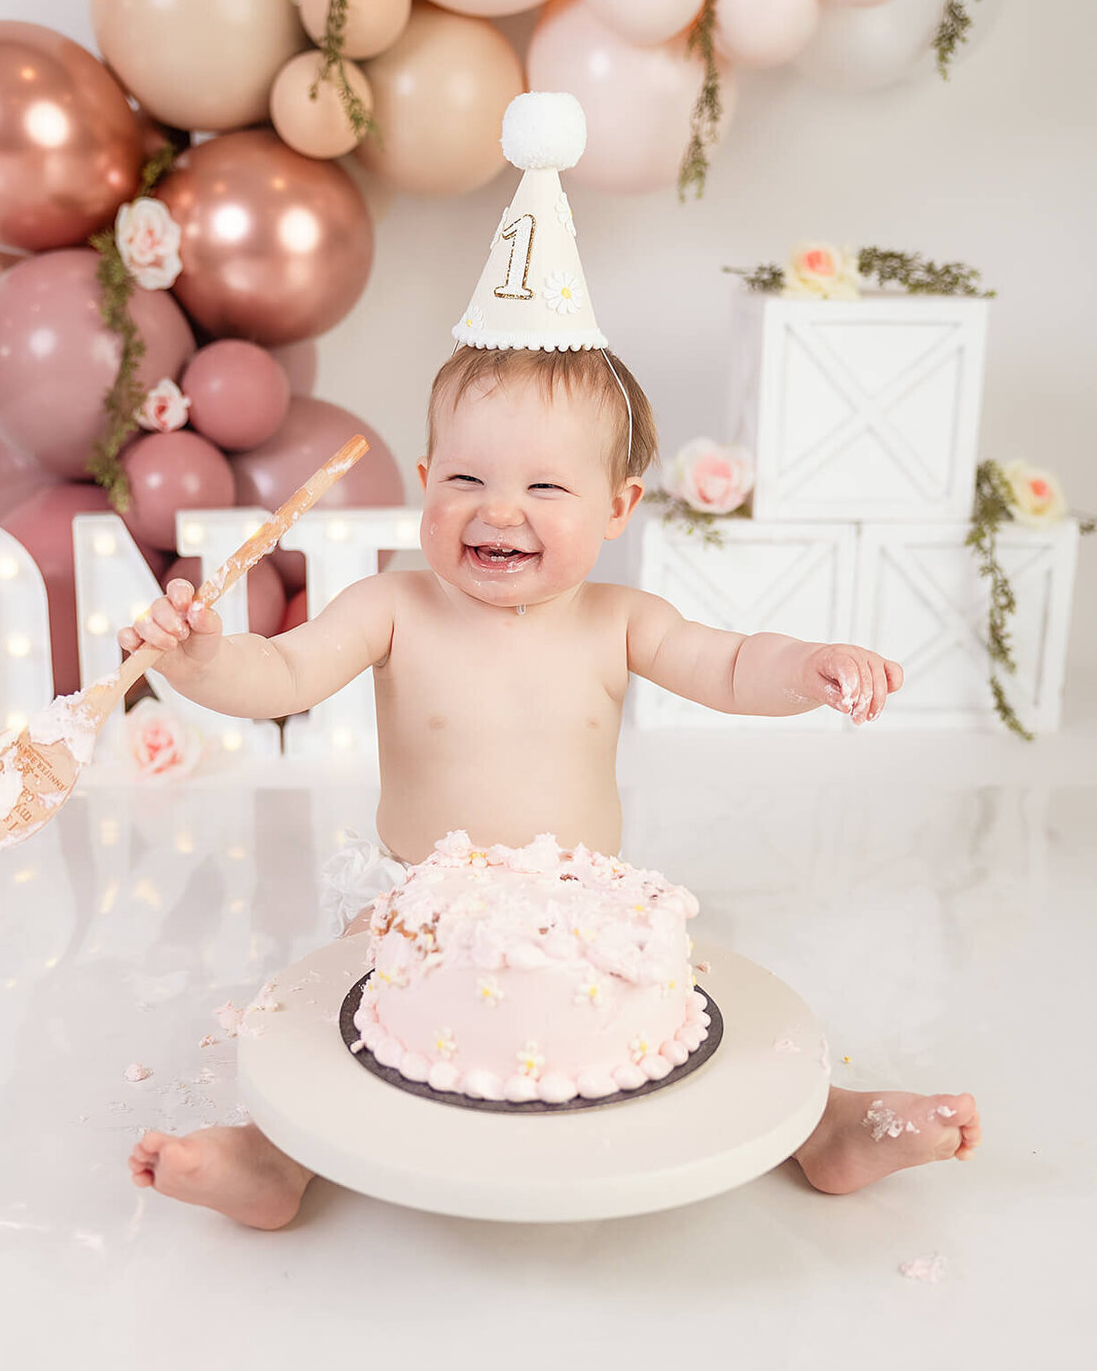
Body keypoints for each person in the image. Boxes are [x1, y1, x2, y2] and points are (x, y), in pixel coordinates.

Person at [123, 93, 981, 1229]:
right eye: (468, 479)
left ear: (621, 504)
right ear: (427, 479)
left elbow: (731, 665)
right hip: (416, 906)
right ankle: (270, 1168)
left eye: (546, 487)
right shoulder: (393, 607)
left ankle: (828, 1130)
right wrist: (201, 658)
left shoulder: (618, 619)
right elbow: (276, 678)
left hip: (585, 925)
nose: (501, 512)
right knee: (331, 1033)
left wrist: (812, 661)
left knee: (701, 1016)